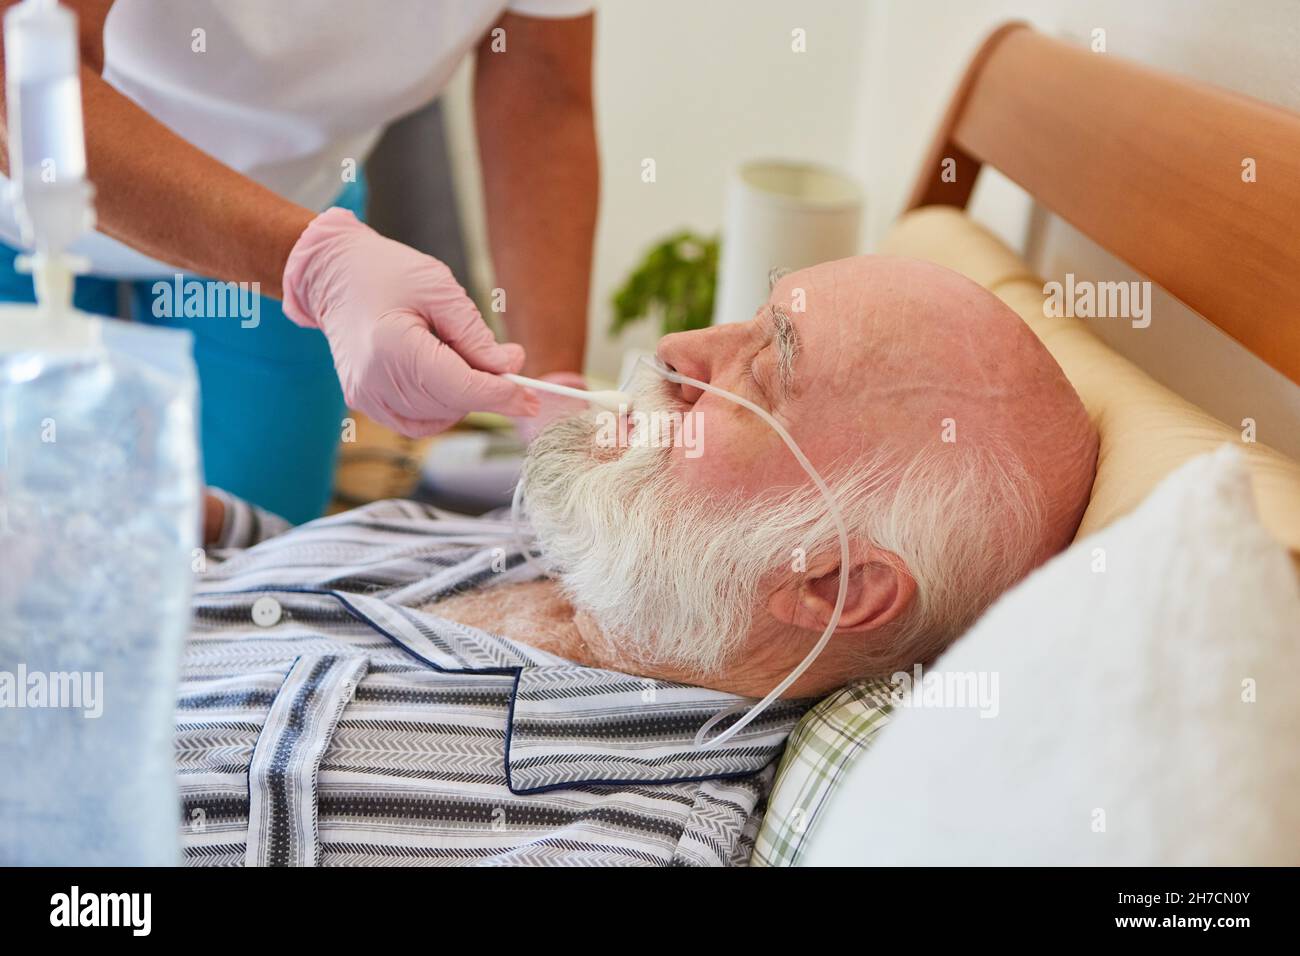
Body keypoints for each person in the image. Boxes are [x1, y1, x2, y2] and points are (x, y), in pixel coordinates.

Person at [183, 255, 1097, 865]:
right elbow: (293, 593)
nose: (676, 351)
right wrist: (196, 519)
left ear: (832, 582)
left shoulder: (603, 840)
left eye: (762, 370)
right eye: (747, 319)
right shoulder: (603, 551)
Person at [0, 0, 598, 523]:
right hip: (24, 208)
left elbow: (545, 95)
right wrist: (316, 266)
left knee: (256, 555)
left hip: (289, 216)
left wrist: (549, 388)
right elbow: (17, 75)